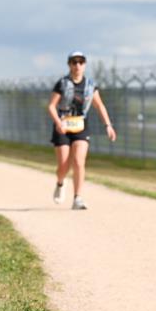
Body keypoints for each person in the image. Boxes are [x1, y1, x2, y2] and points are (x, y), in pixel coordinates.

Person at [47, 51, 116, 210]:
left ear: (84, 65)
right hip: (63, 126)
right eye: (74, 62)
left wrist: (108, 125)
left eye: (81, 62)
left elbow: (99, 106)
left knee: (79, 161)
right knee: (63, 165)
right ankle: (60, 182)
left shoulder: (90, 85)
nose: (77, 65)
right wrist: (58, 122)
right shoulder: (62, 84)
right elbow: (51, 106)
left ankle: (77, 198)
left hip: (80, 126)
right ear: (69, 65)